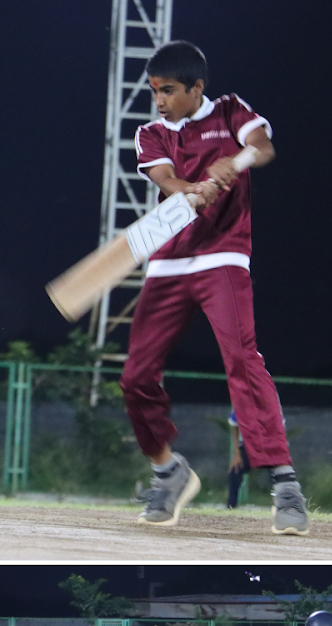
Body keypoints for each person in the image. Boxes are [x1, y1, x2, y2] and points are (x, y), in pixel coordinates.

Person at [121, 40, 309, 536]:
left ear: (196, 88)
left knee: (242, 360)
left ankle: (285, 485)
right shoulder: (151, 133)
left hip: (223, 255)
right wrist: (195, 188)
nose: (159, 100)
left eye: (168, 91)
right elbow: (165, 181)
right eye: (154, 91)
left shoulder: (229, 112)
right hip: (168, 260)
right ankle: (168, 470)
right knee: (136, 375)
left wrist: (236, 164)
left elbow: (263, 146)